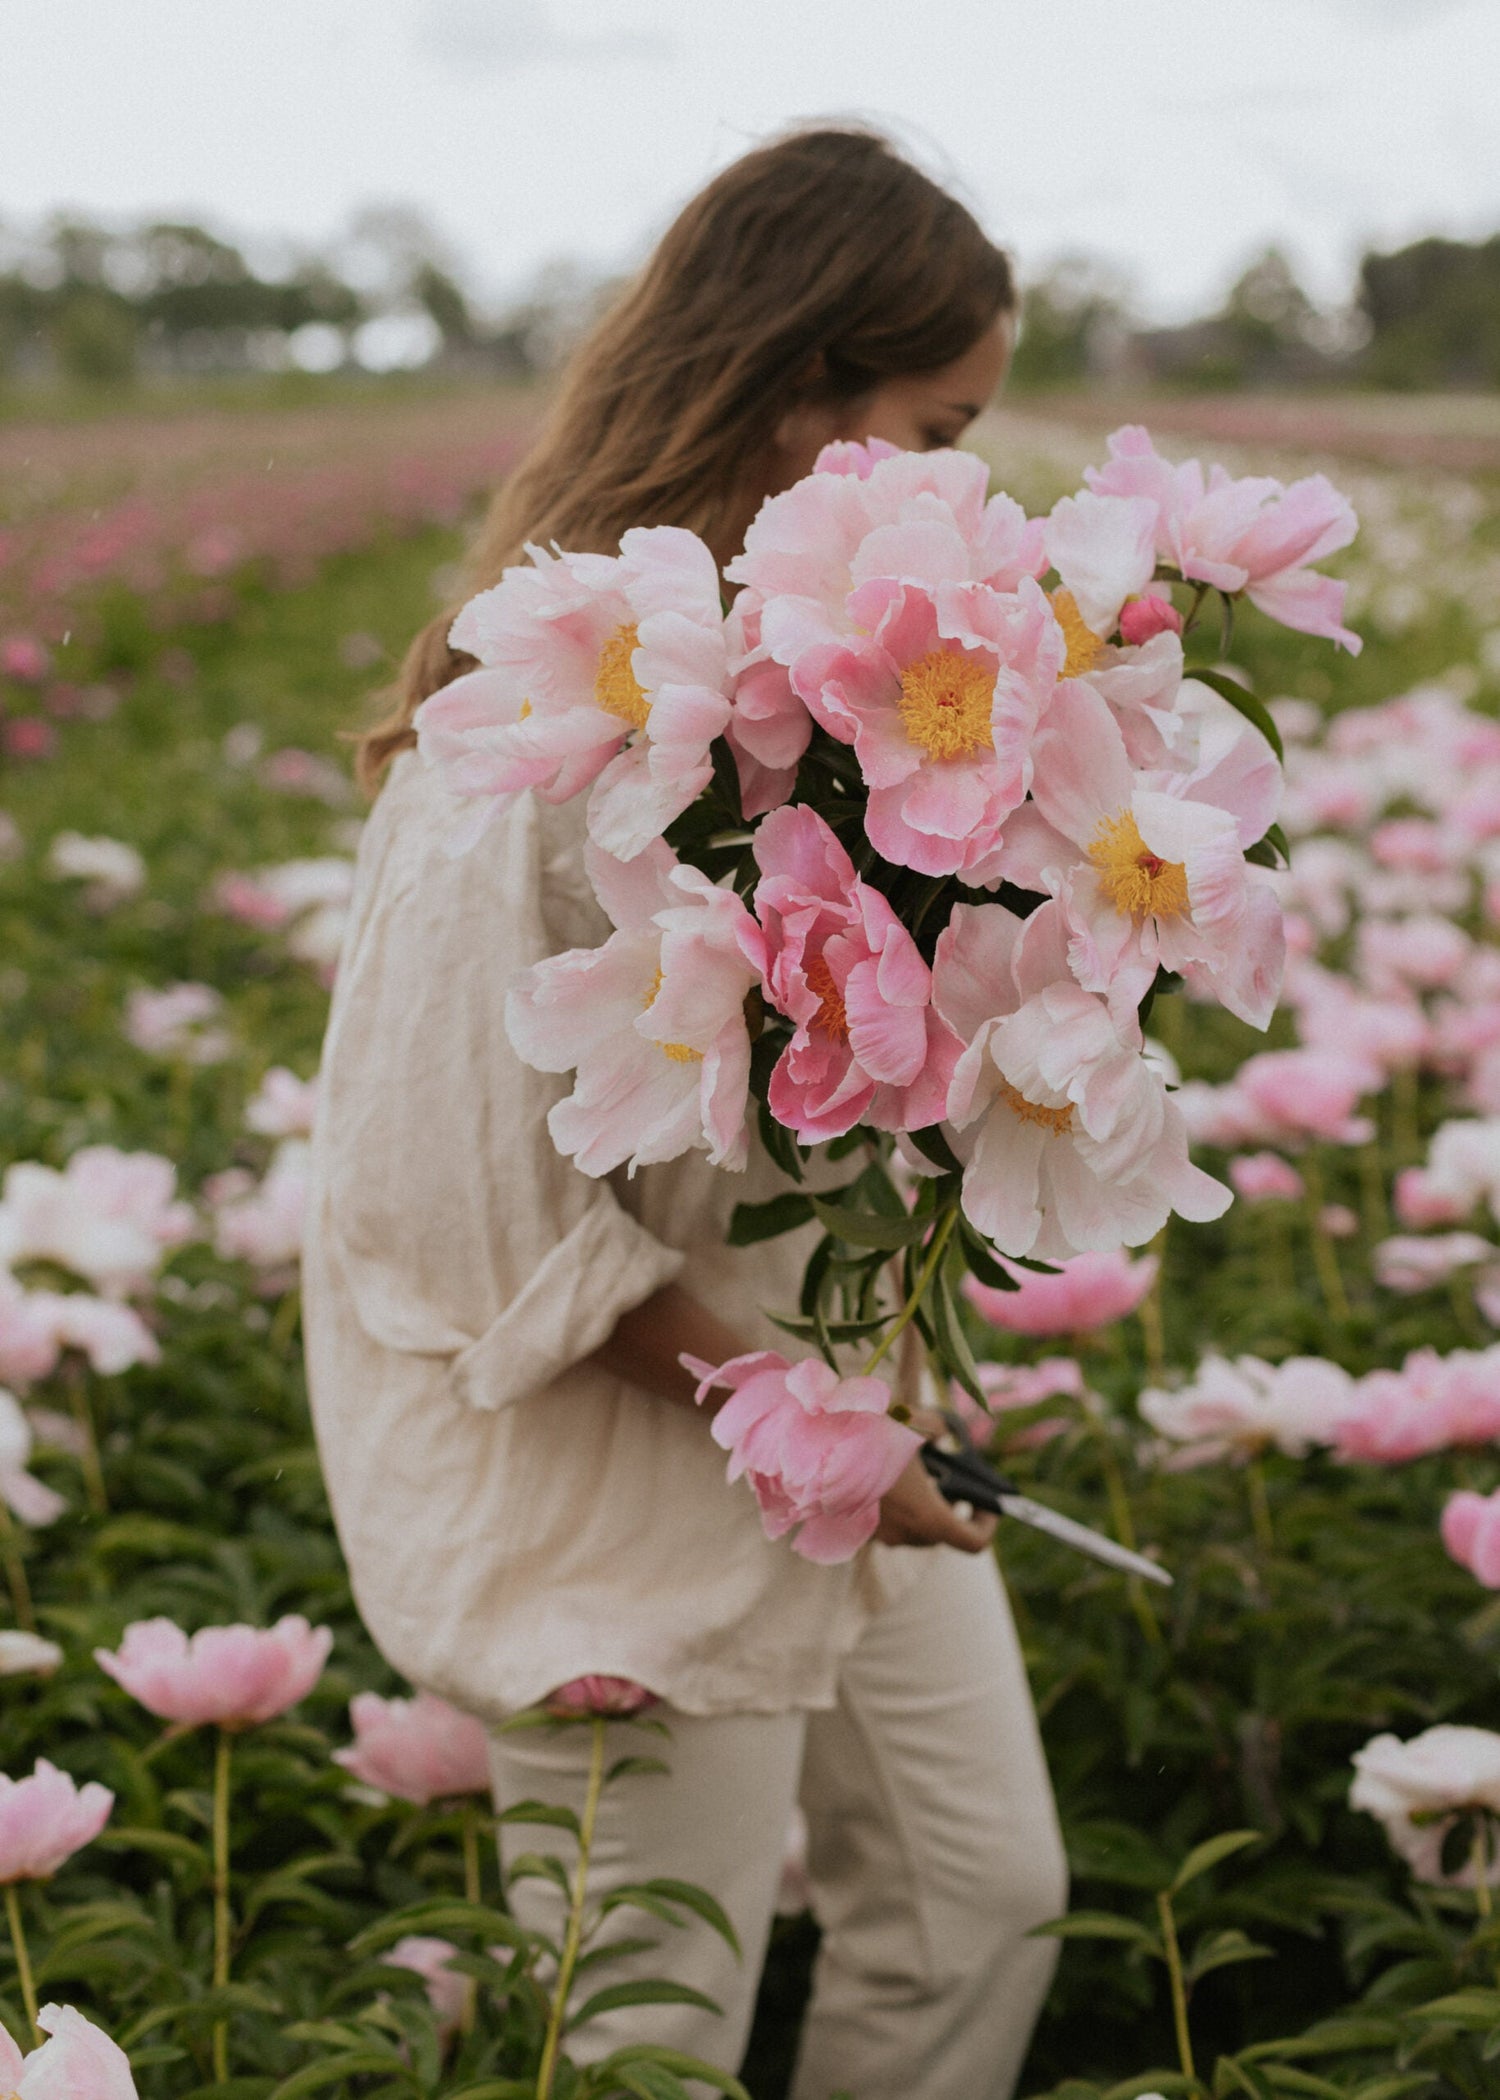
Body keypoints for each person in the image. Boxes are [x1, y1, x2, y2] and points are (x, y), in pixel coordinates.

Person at [304, 124, 1067, 2099]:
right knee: (650, 2031)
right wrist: (799, 1417)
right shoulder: (530, 742)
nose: (962, 492)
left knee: (985, 1904)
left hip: (823, 1430)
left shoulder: (830, 728)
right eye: (937, 430)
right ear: (797, 391)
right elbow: (452, 1217)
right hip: (619, 1485)